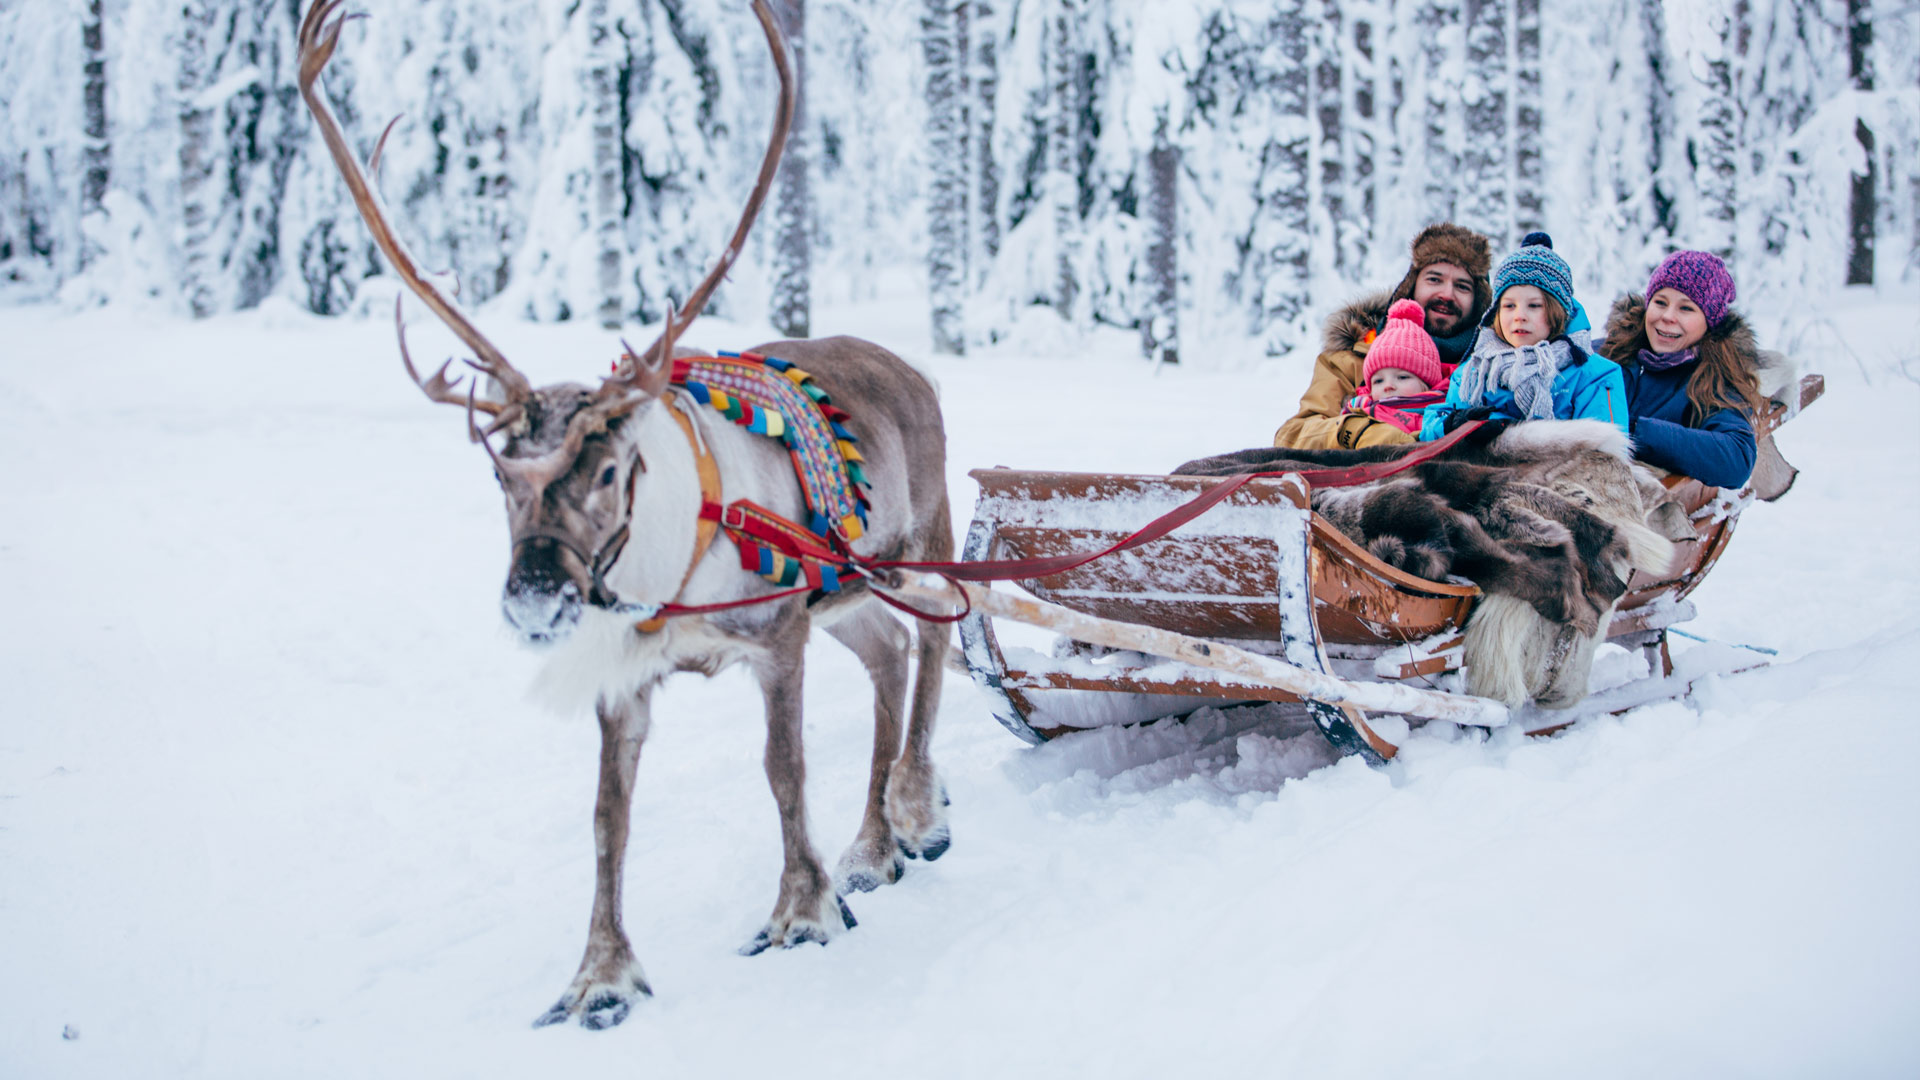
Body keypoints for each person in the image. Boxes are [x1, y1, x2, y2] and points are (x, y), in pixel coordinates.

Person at [1273, 223, 1492, 448]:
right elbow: (1293, 436)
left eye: (1462, 286)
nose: (1447, 294)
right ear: (1411, 286)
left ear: (1479, 301)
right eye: (1434, 279)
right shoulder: (1351, 359)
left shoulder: (1493, 368)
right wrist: (1359, 432)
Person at [1420, 232, 1627, 440]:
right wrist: (1451, 425)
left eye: (1534, 306)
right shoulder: (1475, 371)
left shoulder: (1594, 375)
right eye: (1509, 306)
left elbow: (1604, 446)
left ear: (1557, 313)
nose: (1519, 316)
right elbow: (1431, 427)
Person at [1598, 251, 1764, 489]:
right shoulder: (1610, 352)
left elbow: (1736, 459)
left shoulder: (1715, 377)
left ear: (1709, 322)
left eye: (1686, 308)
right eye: (1660, 302)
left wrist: (1636, 430)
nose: (1667, 317)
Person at [1303, 299, 1450, 447]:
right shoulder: (1360, 410)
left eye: (1402, 377)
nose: (1388, 385)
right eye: (1378, 381)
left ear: (1427, 384)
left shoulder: (1442, 412)